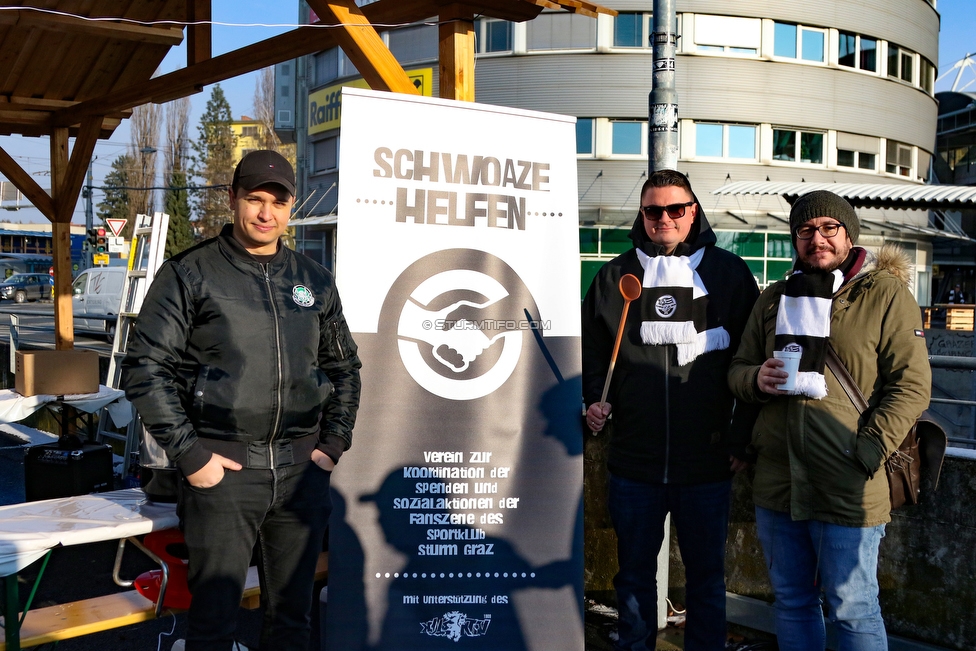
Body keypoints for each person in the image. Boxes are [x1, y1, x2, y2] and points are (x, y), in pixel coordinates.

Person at [122, 150, 362, 650]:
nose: (265, 212)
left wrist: (333, 443)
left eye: (278, 200)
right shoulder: (190, 273)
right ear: (233, 200)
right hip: (222, 473)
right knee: (214, 623)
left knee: (293, 620)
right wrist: (191, 456)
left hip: (301, 475)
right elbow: (145, 368)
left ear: (291, 205)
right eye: (254, 198)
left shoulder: (313, 280)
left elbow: (344, 368)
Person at [728, 190, 931, 651]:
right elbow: (736, 369)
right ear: (794, 239)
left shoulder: (885, 294)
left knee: (853, 608)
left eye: (828, 228)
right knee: (793, 602)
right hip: (779, 482)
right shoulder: (774, 298)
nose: (816, 238)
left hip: (849, 482)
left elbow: (912, 385)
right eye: (805, 230)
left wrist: (867, 452)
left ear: (847, 234)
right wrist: (756, 378)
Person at [582, 169, 759, 651]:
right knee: (634, 579)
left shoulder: (729, 273)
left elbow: (752, 359)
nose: (664, 218)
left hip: (707, 459)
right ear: (642, 215)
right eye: (653, 210)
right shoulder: (617, 276)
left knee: (706, 579)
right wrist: (596, 400)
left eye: (675, 209)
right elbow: (595, 355)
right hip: (634, 460)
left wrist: (740, 438)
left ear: (693, 212)